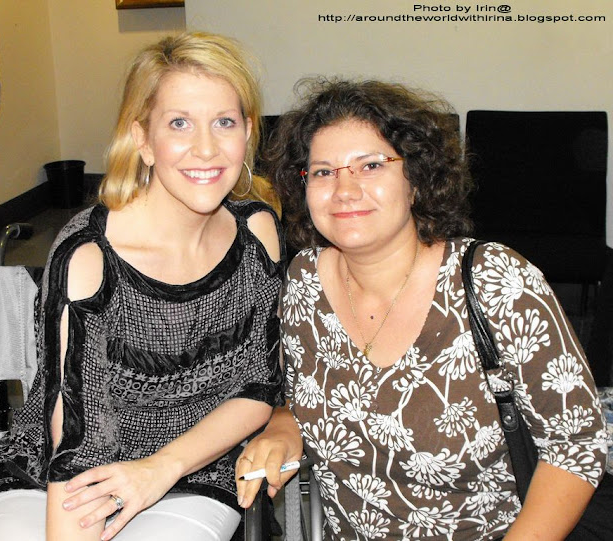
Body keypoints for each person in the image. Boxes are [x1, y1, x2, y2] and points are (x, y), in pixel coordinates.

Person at [236, 79, 608, 540]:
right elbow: (297, 397)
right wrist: (283, 426)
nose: (345, 189)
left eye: (371, 165)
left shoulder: (494, 280)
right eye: (324, 172)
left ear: (416, 179)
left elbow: (576, 444)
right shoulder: (303, 281)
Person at [0, 32, 285, 541]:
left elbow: (259, 387)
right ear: (142, 139)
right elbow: (77, 443)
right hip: (57, 469)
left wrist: (161, 468)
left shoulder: (257, 232)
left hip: (198, 465)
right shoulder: (89, 258)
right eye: (179, 123)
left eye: (224, 122)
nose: (206, 148)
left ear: (248, 131)